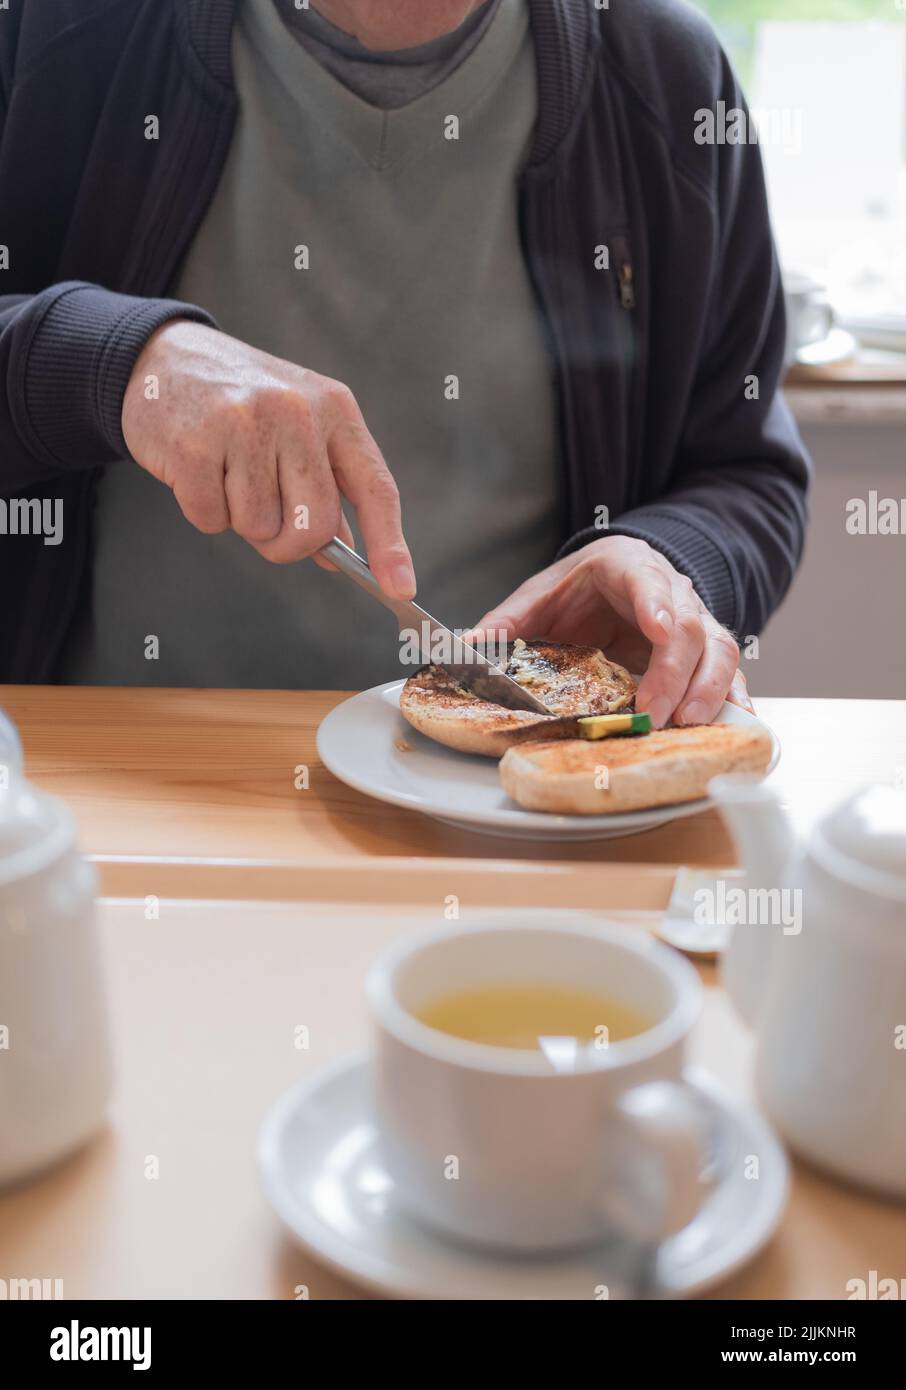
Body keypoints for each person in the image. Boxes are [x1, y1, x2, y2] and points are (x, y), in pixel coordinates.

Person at [0, 0, 809, 727]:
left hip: (511, 806)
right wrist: (114, 364)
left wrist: (663, 559)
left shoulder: (665, 73)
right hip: (100, 779)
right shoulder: (60, 31)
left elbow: (747, 474)